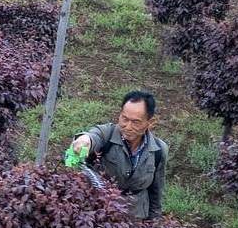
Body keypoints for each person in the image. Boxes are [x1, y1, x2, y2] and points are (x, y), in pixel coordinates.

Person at [66, 90, 167, 219]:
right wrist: (85, 141)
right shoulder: (108, 134)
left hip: (134, 217)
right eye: (124, 119)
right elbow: (94, 136)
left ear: (150, 122)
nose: (128, 126)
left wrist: (155, 224)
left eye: (135, 122)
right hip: (98, 211)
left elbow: (156, 193)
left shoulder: (158, 150)